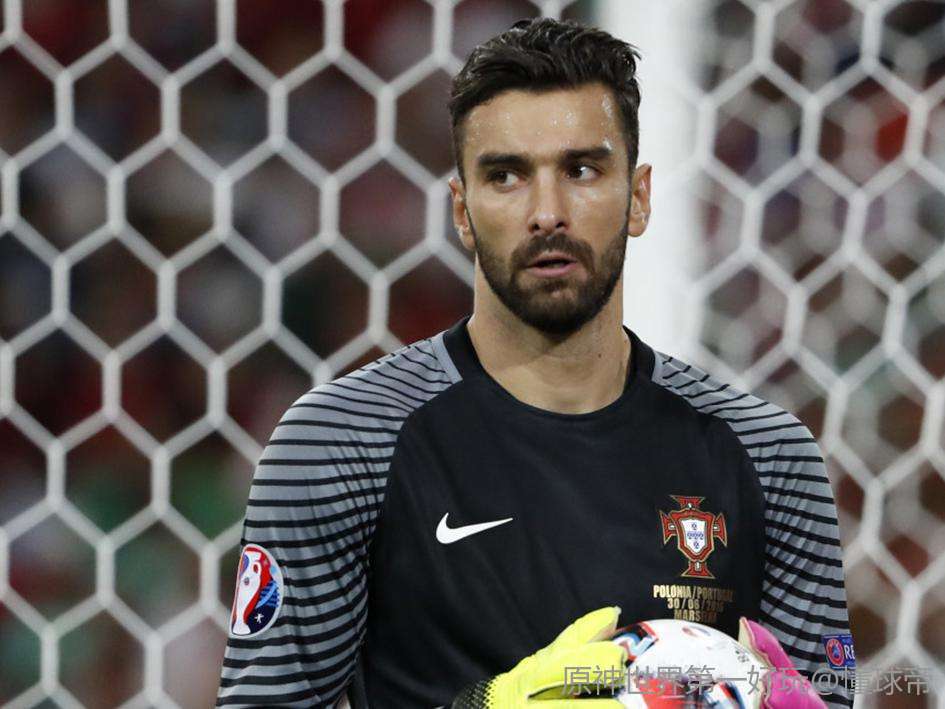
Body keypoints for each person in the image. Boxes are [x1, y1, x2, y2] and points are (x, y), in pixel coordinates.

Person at [217, 18, 853, 709]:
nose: (547, 212)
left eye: (581, 170)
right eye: (506, 176)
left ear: (638, 198)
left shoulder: (768, 454)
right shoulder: (341, 441)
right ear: (462, 211)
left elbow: (828, 693)